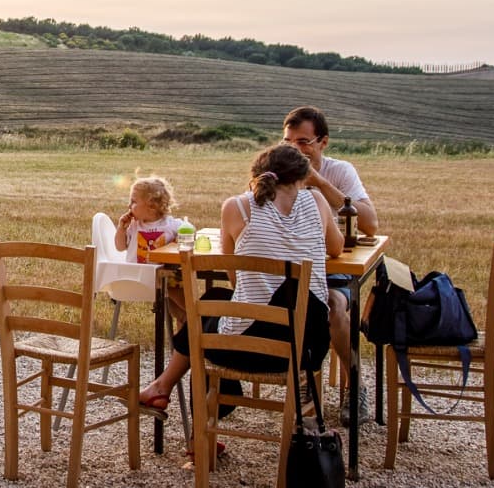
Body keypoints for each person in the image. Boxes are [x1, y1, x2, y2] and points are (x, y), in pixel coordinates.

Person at [138, 144, 342, 427]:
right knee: (212, 303)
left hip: (243, 349)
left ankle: (188, 414)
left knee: (205, 312)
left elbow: (235, 278)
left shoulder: (237, 207)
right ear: (302, 177)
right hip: (305, 348)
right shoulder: (317, 202)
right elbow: (336, 246)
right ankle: (164, 390)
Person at [282, 105, 379, 423]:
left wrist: (319, 182)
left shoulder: (340, 171)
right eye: (289, 142)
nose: (295, 149)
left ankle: (354, 386)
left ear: (323, 142)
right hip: (292, 266)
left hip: (331, 267)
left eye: (303, 142)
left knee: (335, 305)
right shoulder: (276, 170)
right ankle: (304, 377)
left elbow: (370, 225)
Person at [114, 176, 184, 264]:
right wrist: (121, 229)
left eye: (133, 202)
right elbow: (120, 247)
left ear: (152, 206)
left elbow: (190, 230)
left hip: (161, 275)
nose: (129, 206)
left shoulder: (171, 224)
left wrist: (178, 240)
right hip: (135, 274)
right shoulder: (133, 225)